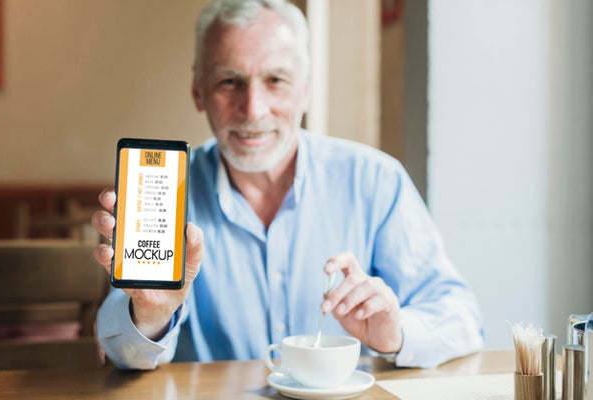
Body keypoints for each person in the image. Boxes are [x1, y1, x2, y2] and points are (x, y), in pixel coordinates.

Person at [92, 0, 484, 370]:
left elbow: (461, 318)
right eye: (230, 81)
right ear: (198, 90)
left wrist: (397, 333)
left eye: (276, 80)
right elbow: (119, 345)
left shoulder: (375, 180)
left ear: (306, 88)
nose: (253, 109)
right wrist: (150, 317)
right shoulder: (163, 192)